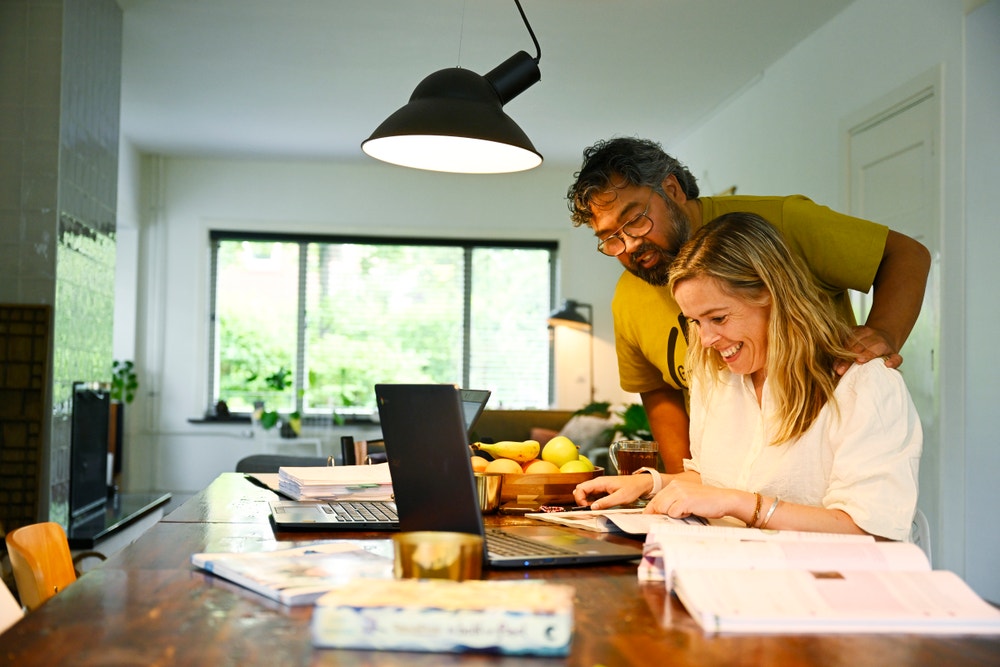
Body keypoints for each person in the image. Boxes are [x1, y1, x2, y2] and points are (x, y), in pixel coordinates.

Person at [566, 137, 931, 473]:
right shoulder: (629, 297)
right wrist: (685, 492)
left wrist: (883, 331)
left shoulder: (779, 224)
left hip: (824, 459)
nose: (628, 245)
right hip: (733, 479)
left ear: (672, 190)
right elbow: (660, 393)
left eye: (634, 221)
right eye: (610, 238)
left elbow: (905, 255)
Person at [573, 213, 922, 539]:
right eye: (696, 322)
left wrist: (740, 504)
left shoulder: (864, 385)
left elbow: (870, 530)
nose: (707, 340)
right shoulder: (716, 378)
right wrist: (652, 484)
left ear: (772, 295)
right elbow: (713, 477)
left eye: (719, 318)